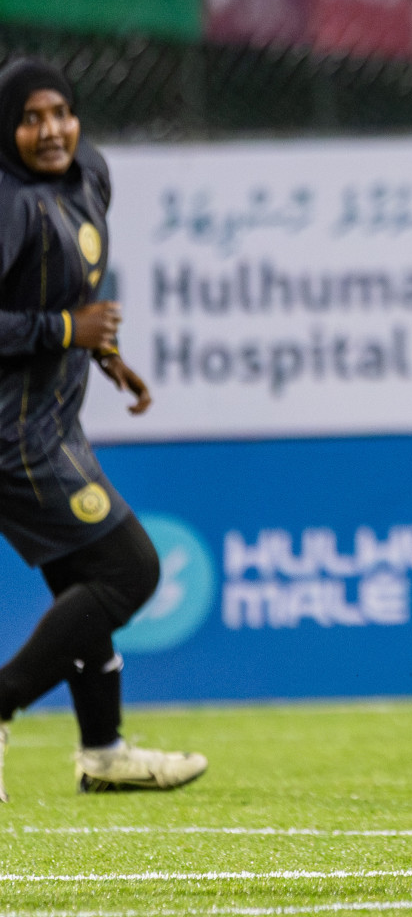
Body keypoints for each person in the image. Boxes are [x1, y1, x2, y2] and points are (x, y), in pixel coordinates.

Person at [0, 60, 207, 800]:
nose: (51, 130)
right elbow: (59, 313)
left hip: (51, 421)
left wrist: (105, 351)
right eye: (30, 118)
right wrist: (66, 329)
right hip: (13, 440)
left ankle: (104, 752)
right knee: (130, 571)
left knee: (84, 587)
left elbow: (74, 289)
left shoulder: (89, 174)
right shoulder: (6, 203)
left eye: (61, 111)